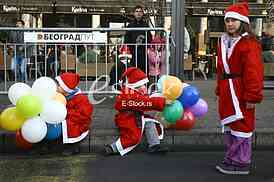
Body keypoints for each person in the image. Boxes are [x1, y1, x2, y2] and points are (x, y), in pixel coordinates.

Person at [215, 2, 263, 175]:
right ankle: (232, 156)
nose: (230, 24)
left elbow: (254, 72)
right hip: (228, 89)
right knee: (231, 124)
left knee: (242, 125)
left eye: (234, 20)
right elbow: (221, 68)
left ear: (242, 21)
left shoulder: (249, 43)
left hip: (241, 89)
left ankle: (241, 162)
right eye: (227, 20)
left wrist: (252, 96)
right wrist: (219, 89)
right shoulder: (224, 40)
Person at [104, 67, 169, 156]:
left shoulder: (133, 93)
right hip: (127, 119)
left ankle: (154, 145)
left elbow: (144, 101)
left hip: (135, 116)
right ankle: (112, 148)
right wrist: (162, 102)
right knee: (132, 137)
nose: (145, 87)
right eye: (143, 85)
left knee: (150, 123)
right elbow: (144, 103)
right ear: (135, 85)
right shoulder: (128, 95)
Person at [55, 72, 93, 155]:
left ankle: (73, 146)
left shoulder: (81, 98)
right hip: (68, 117)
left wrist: (65, 113)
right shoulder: (61, 96)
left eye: (59, 85)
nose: (57, 87)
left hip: (79, 122)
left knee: (68, 124)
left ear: (66, 88)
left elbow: (84, 115)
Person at [124, 5, 152, 74]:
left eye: (140, 11)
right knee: (133, 72)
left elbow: (149, 38)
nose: (138, 13)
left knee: (144, 72)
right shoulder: (130, 25)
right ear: (134, 13)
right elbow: (126, 39)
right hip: (133, 53)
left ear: (142, 13)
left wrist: (143, 43)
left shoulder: (146, 25)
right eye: (137, 11)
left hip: (143, 53)